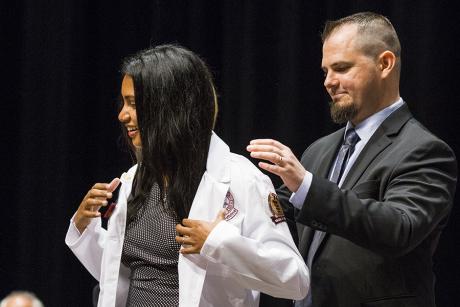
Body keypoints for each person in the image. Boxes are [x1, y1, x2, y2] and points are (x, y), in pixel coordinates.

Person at [65, 45, 309, 307]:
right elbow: (122, 275)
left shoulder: (241, 179)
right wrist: (84, 229)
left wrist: (220, 242)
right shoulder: (133, 180)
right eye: (123, 103)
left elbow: (295, 281)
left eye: (134, 104)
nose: (122, 115)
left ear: (169, 107)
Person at [247, 12, 457, 307]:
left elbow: (398, 228)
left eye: (342, 68)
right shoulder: (319, 150)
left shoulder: (425, 151)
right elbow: (279, 219)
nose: (329, 82)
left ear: (384, 64)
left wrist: (306, 185)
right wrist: (234, 194)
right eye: (325, 71)